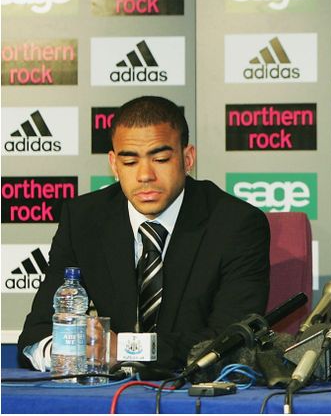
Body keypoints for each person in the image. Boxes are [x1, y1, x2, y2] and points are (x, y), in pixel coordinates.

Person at [18, 96, 270, 371]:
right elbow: (35, 336)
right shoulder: (83, 219)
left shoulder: (236, 224)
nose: (145, 175)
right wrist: (74, 351)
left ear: (188, 159)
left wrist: (125, 348)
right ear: (114, 165)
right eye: (129, 162)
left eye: (160, 159)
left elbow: (233, 339)